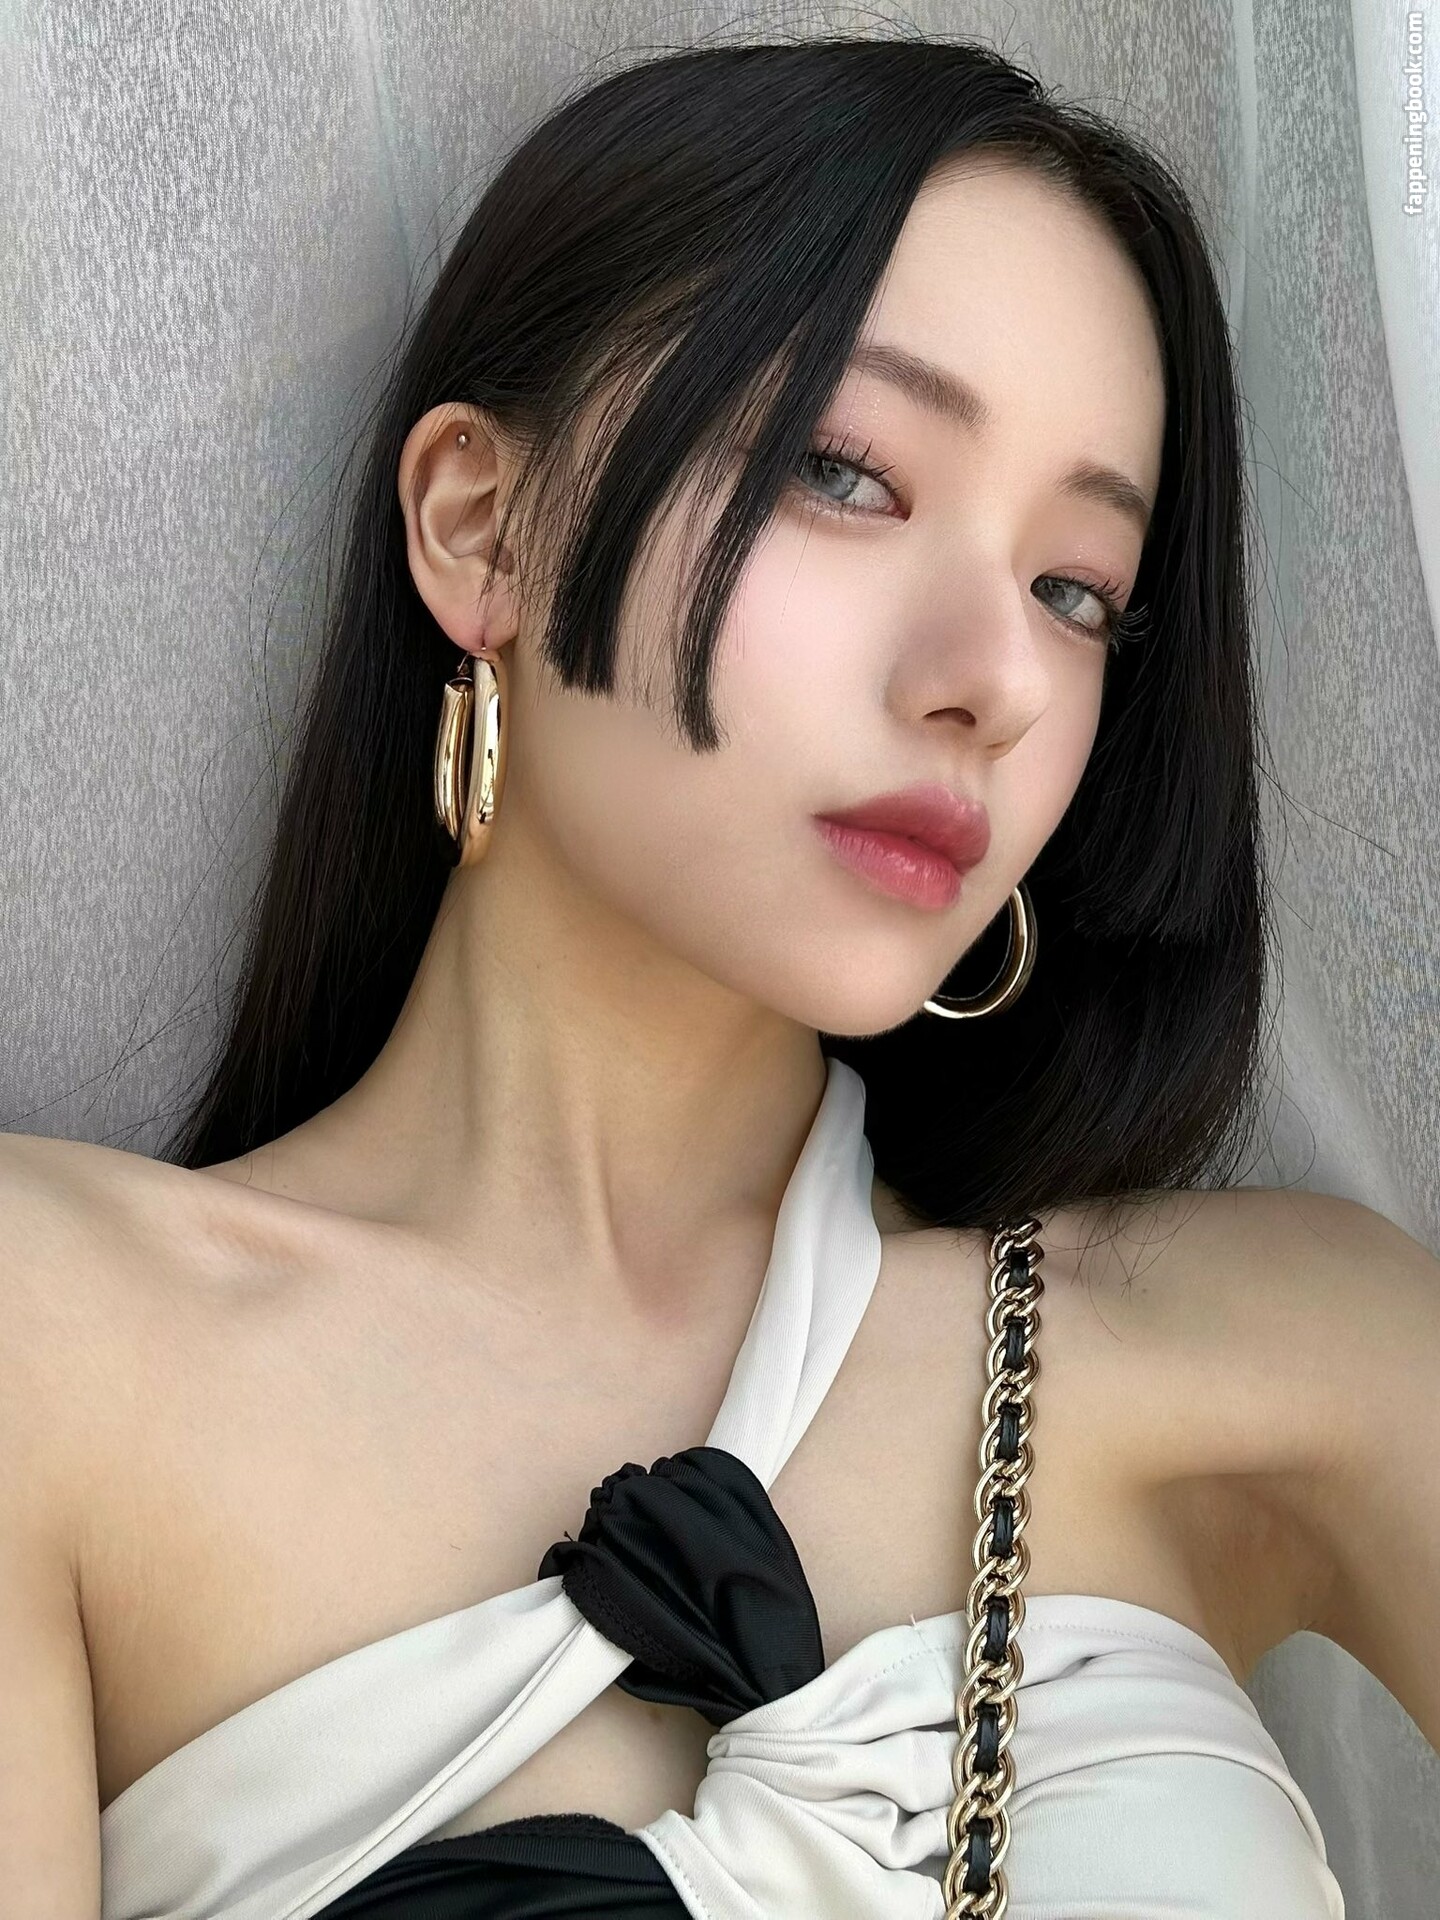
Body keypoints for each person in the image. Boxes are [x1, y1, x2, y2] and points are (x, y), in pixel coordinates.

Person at [3, 31, 1435, 1920]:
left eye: (1076, 589)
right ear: (481, 526)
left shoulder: (1298, 1351)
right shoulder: (54, 1346)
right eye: (847, 473)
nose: (994, 680)